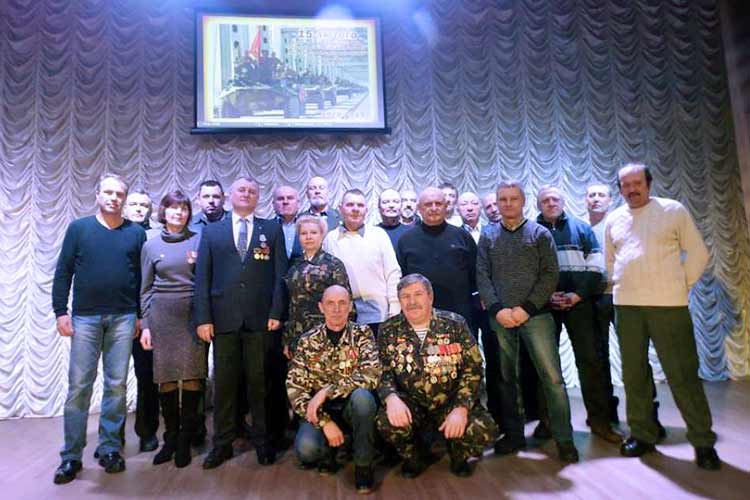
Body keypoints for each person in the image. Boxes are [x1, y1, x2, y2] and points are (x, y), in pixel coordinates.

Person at [605, 163, 720, 470]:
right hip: (627, 306)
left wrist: (681, 285)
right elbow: (611, 262)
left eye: (637, 183)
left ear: (649, 183)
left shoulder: (672, 210)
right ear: (620, 189)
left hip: (668, 305)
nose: (632, 189)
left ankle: (703, 441)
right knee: (634, 375)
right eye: (626, 185)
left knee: (682, 374)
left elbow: (698, 253)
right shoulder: (614, 219)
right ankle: (642, 434)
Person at [52, 174, 146, 484]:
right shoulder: (79, 229)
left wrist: (139, 316)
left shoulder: (136, 234)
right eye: (108, 192)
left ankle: (109, 449)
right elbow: (63, 271)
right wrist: (60, 312)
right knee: (79, 386)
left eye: (119, 194)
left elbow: (142, 279)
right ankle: (71, 456)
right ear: (97, 196)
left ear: (124, 199)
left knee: (116, 386)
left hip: (124, 318)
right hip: (85, 319)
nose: (114, 198)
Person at [476, 180, 578, 463]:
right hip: (501, 318)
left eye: (513, 198)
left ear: (523, 202)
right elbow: (482, 275)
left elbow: (550, 275)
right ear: (497, 203)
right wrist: (498, 310)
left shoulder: (540, 233)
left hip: (537, 316)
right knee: (507, 379)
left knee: (552, 379)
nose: (508, 203)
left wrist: (527, 309)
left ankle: (564, 440)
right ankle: (514, 435)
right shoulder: (488, 235)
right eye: (503, 199)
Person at [194, 177, 288, 468]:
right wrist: (203, 318)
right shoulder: (212, 231)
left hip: (260, 320)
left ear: (258, 197)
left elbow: (280, 276)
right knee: (224, 386)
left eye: (252, 191)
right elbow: (202, 278)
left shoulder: (271, 229)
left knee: (260, 385)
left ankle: (262, 442)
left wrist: (276, 312)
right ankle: (222, 444)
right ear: (230, 196)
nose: (246, 194)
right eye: (241, 190)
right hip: (223, 321)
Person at [377, 274, 497, 478]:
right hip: (411, 404)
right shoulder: (388, 329)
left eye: (418, 294)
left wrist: (461, 407)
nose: (412, 301)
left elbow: (474, 368)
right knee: (385, 421)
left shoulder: (454, 324)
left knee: (482, 429)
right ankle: (414, 455)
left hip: (450, 401)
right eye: (405, 296)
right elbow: (382, 370)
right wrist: (391, 398)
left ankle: (459, 453)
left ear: (430, 297)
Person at [535, 186, 621, 443]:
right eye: (546, 200)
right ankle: (548, 422)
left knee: (590, 363)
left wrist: (576, 295)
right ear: (538, 205)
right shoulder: (532, 231)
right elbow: (528, 272)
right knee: (545, 368)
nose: (551, 203)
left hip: (580, 305)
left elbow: (597, 269)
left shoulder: (581, 228)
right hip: (545, 307)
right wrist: (547, 297)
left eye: (555, 199)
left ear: (563, 202)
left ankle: (600, 423)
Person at [287, 285, 381, 494]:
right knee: (307, 451)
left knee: (363, 398)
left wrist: (327, 391)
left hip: (352, 408)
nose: (336, 309)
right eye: (330, 303)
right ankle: (330, 449)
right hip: (322, 411)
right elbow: (295, 388)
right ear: (321, 307)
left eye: (342, 303)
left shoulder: (363, 334)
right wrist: (324, 422)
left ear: (350, 307)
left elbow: (371, 375)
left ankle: (363, 466)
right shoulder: (308, 340)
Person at [139, 190, 205, 468]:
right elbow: (145, 289)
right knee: (165, 379)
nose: (179, 212)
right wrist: (146, 325)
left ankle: (185, 440)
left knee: (191, 377)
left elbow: (205, 281)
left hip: (192, 315)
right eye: (173, 208)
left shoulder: (199, 239)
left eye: (184, 208)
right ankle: (170, 439)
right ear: (163, 212)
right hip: (161, 317)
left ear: (189, 213)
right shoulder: (150, 245)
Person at [396, 187, 478, 333]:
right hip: (420, 315)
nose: (434, 208)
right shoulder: (406, 240)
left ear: (446, 206)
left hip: (460, 314)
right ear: (419, 208)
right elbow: (401, 279)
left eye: (438, 204)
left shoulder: (462, 236)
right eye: (428, 204)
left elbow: (476, 275)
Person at [323, 188, 401, 336]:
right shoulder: (330, 239)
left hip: (378, 314)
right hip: (343, 315)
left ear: (366, 210)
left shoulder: (379, 235)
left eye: (360, 205)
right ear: (340, 209)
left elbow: (393, 273)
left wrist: (395, 307)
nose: (355, 209)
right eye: (350, 205)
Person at [121, 190, 160, 454]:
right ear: (125, 207)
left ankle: (147, 431)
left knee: (147, 376)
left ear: (150, 209)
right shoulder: (113, 233)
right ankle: (112, 437)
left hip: (147, 317)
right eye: (133, 204)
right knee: (115, 380)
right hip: (117, 314)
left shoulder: (156, 236)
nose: (138, 209)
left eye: (144, 205)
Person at [283, 215, 352, 356]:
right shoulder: (294, 266)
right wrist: (287, 339)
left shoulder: (333, 264)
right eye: (304, 233)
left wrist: (344, 337)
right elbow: (291, 305)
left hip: (326, 333)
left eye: (313, 232)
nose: (308, 237)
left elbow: (346, 303)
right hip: (297, 335)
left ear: (322, 235)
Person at [273, 185, 302, 260]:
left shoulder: (307, 226)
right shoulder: (266, 228)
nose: (285, 202)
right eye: (280, 199)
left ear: (298, 204)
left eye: (290, 198)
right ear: (273, 204)